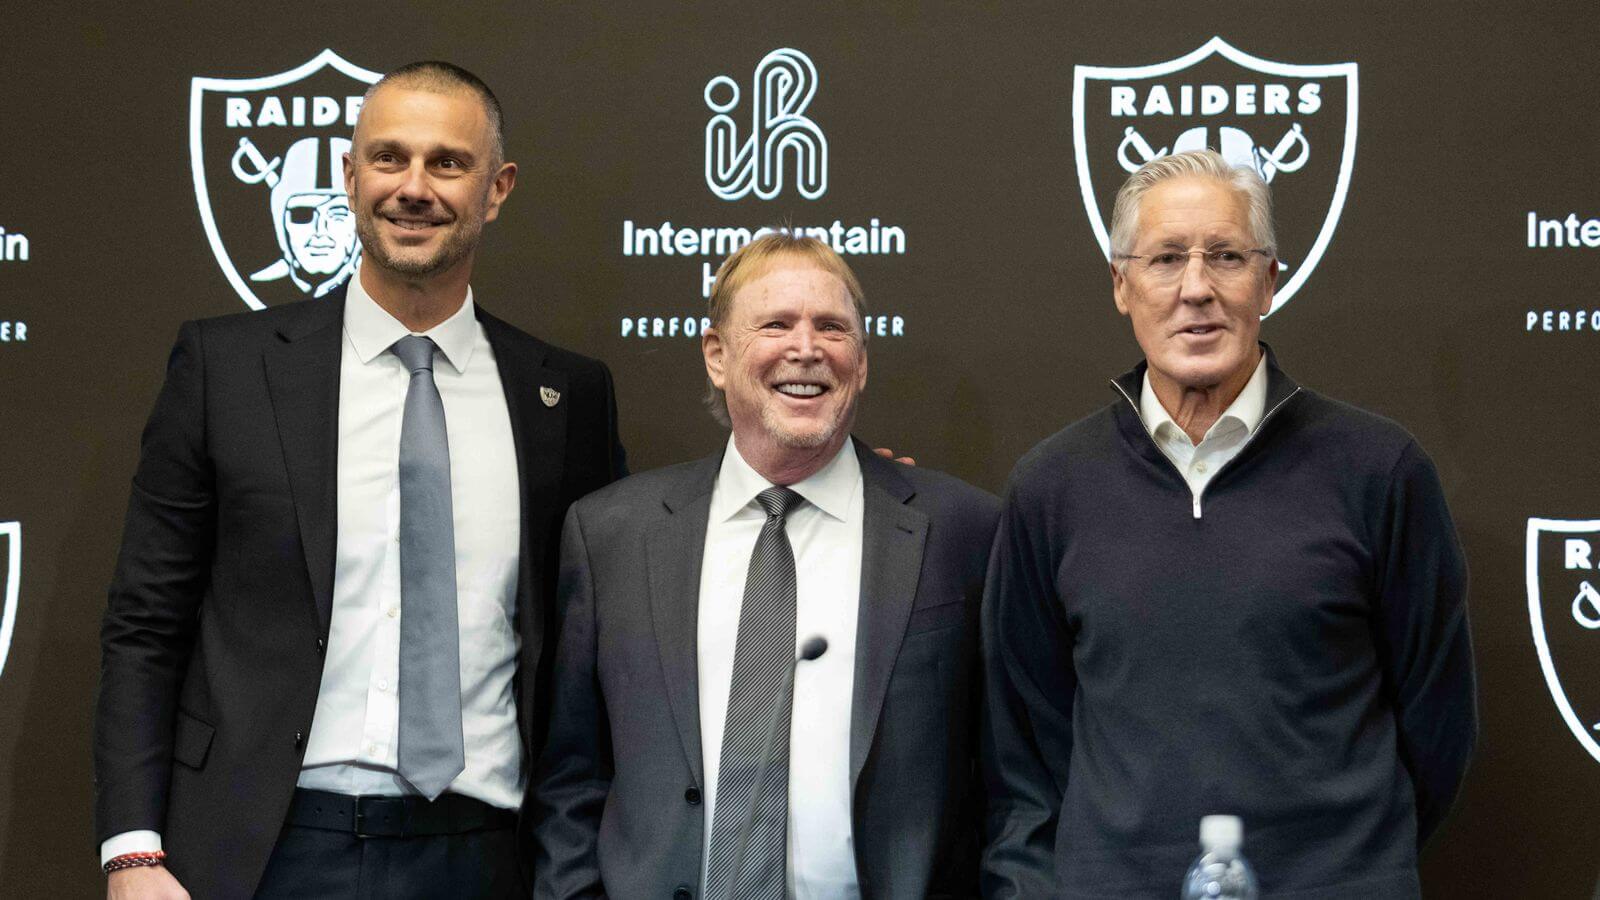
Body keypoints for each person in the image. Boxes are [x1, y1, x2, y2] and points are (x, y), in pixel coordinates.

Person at [95, 61, 625, 899]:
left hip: (483, 853)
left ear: (496, 189)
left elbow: (589, 648)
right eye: (389, 158)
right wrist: (132, 851)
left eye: (447, 163)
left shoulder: (567, 396)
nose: (414, 188)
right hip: (262, 850)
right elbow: (145, 624)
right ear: (350, 175)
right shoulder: (227, 368)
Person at [981, 149, 1476, 898]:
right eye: (1165, 259)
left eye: (1226, 256)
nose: (1196, 289)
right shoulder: (1051, 486)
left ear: (1269, 281)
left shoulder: (1381, 470)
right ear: (1121, 285)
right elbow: (1025, 747)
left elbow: (1438, 728)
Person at [533, 233, 999, 899]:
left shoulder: (965, 531)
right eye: (775, 324)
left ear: (862, 362)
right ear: (717, 355)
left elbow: (1013, 786)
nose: (806, 348)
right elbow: (570, 779)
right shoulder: (612, 535)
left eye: (831, 327)